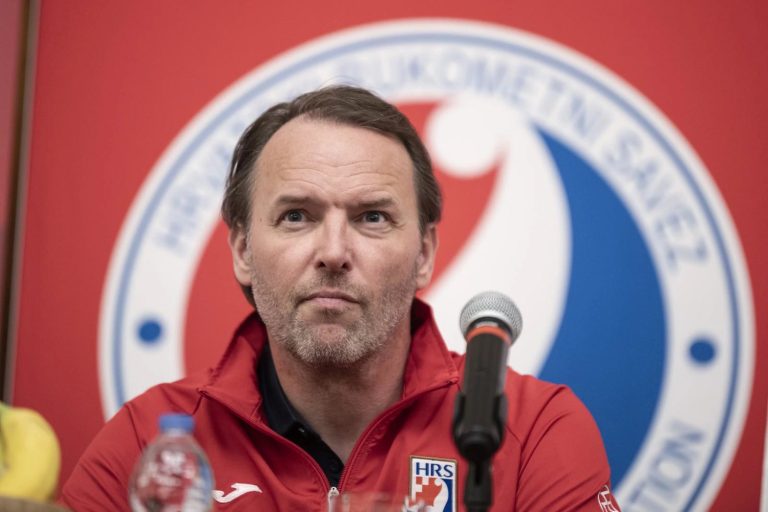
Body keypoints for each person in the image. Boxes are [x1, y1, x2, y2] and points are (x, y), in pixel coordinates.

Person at [62, 85, 620, 511]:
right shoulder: (148, 444)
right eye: (296, 216)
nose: (333, 251)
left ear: (424, 253)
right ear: (243, 250)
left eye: (372, 217)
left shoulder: (533, 431)